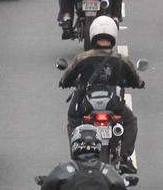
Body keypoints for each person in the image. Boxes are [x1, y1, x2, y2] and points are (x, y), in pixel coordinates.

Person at [58, 16, 143, 174]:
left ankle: (76, 156)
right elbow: (136, 79)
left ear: (92, 34)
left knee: (73, 121)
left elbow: (66, 77)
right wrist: (138, 83)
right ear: (113, 35)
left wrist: (64, 82)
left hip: (86, 105)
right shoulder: (121, 60)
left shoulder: (82, 58)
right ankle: (125, 158)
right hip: (113, 104)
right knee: (130, 121)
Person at [39, 126, 130, 190]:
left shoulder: (63, 169)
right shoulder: (108, 171)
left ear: (74, 144)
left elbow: (46, 186)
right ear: (98, 145)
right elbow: (121, 186)